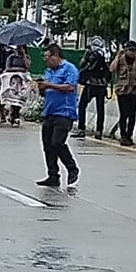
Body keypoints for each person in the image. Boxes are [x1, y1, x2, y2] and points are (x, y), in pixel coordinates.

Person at [36, 44, 80, 189]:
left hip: (64, 112)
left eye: (47, 57)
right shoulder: (48, 72)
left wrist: (50, 85)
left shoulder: (69, 69)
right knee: (47, 145)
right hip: (49, 111)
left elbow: (70, 87)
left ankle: (72, 167)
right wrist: (42, 87)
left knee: (57, 142)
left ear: (55, 55)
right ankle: (53, 175)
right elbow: (46, 90)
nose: (46, 60)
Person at [110, 40, 136, 146]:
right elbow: (112, 69)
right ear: (125, 50)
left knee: (132, 113)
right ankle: (123, 135)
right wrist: (117, 56)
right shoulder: (120, 60)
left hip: (135, 90)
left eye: (134, 50)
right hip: (122, 90)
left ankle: (129, 135)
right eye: (130, 50)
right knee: (123, 113)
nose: (132, 52)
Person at [75, 36, 111, 140]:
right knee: (100, 109)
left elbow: (82, 64)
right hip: (102, 85)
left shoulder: (91, 54)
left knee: (82, 106)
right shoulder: (106, 54)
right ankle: (99, 131)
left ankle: (81, 129)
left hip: (91, 84)